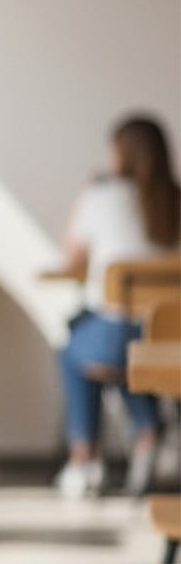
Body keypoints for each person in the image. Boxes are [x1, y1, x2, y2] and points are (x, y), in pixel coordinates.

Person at [55, 115, 181, 498]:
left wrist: (87, 191)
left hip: (115, 335)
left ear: (121, 153)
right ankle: (147, 430)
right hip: (169, 336)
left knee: (72, 349)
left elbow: (69, 261)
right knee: (134, 352)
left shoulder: (101, 196)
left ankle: (84, 459)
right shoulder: (176, 200)